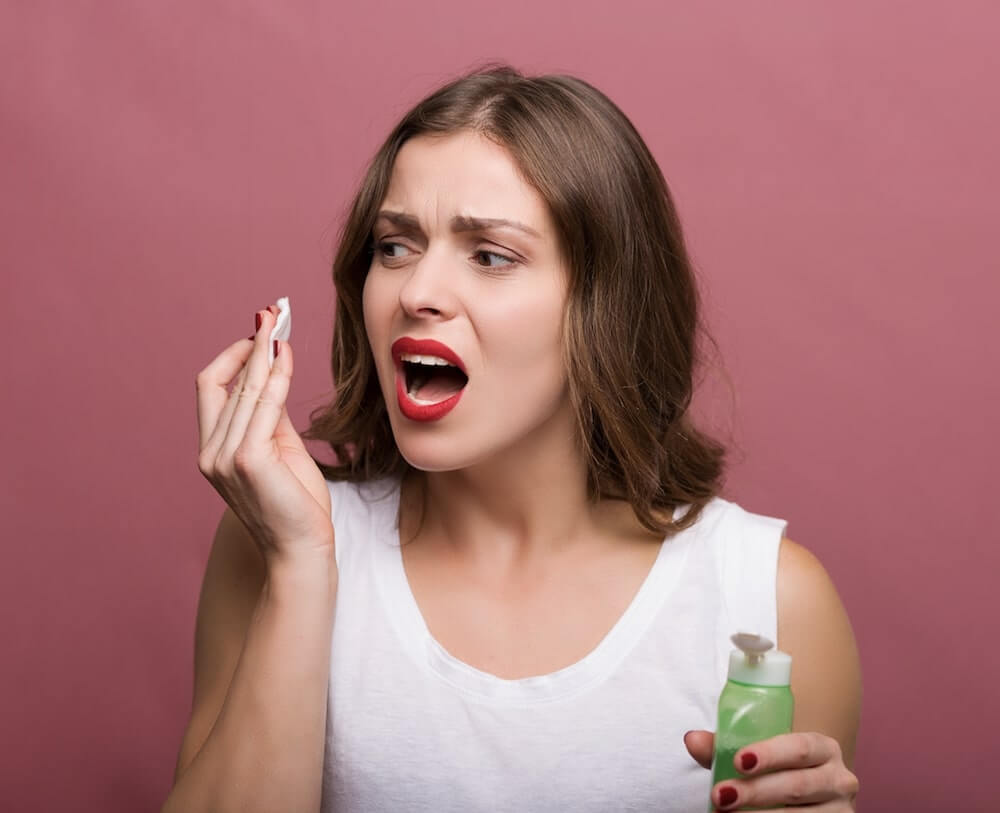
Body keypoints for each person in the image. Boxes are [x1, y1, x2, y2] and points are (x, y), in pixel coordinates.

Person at [168, 65, 861, 812]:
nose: (416, 292)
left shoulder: (770, 601)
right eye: (395, 246)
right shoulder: (278, 543)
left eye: (490, 255)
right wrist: (302, 567)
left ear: (606, 304)